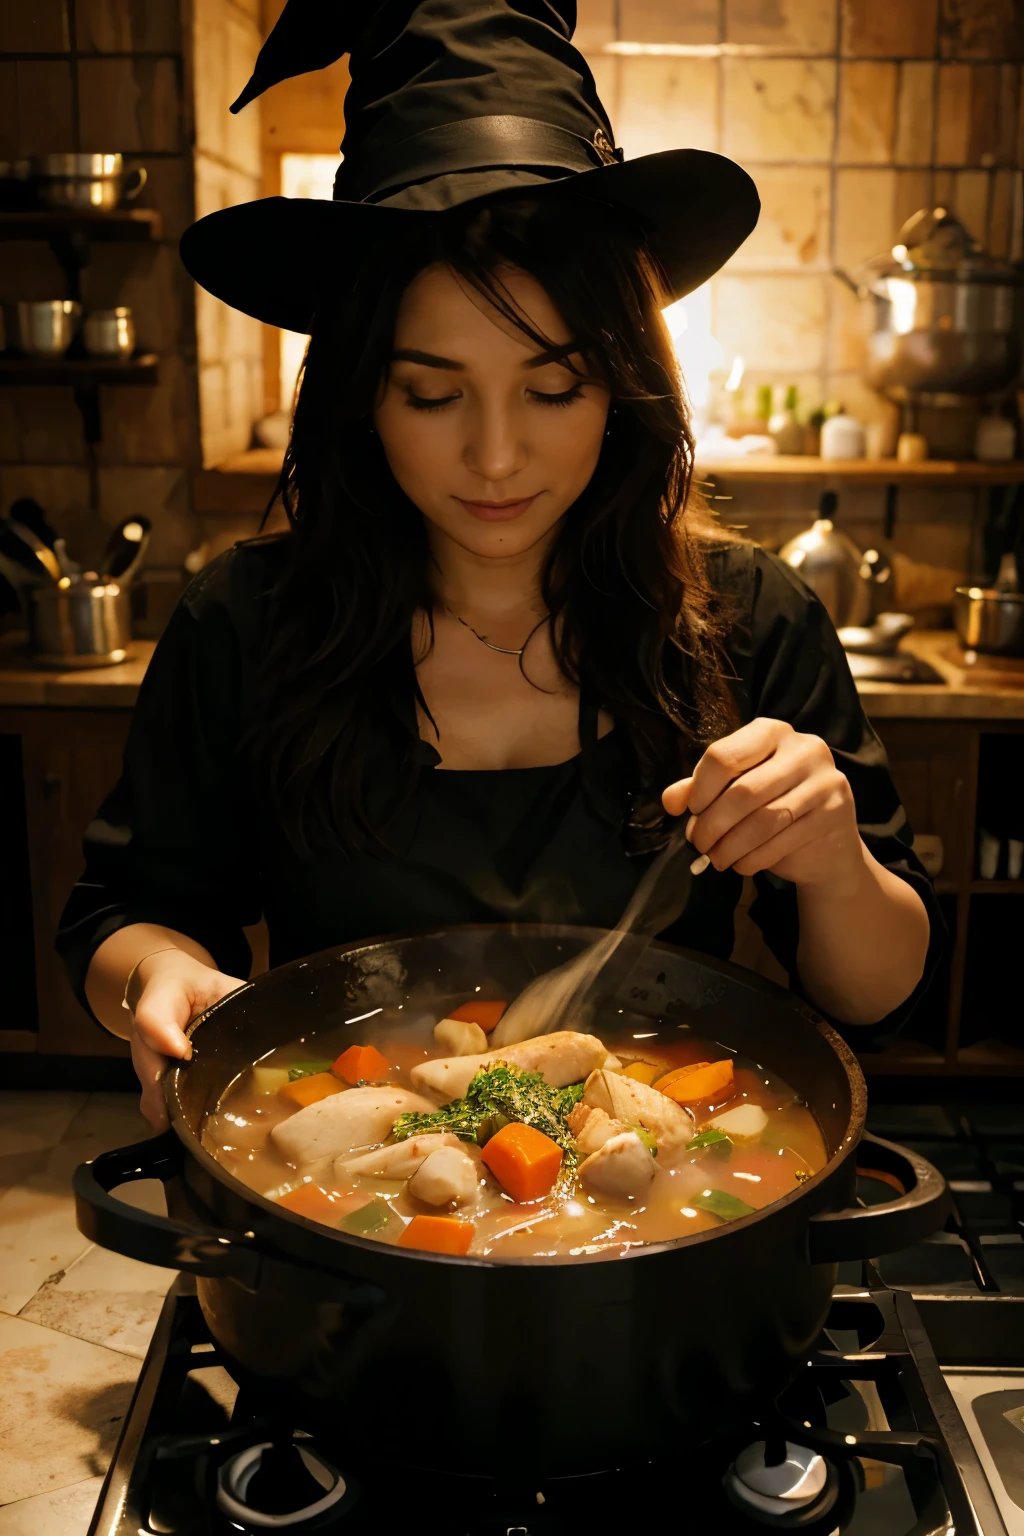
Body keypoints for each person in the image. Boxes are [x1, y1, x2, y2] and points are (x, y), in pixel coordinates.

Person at [57, 0, 940, 1130]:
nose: (494, 456)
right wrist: (156, 976)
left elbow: (876, 994)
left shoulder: (747, 619)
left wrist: (831, 860)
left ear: (622, 386)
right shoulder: (248, 618)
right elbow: (123, 915)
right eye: (431, 393)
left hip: (650, 1242)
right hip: (344, 1222)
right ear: (362, 395)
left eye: (553, 387)